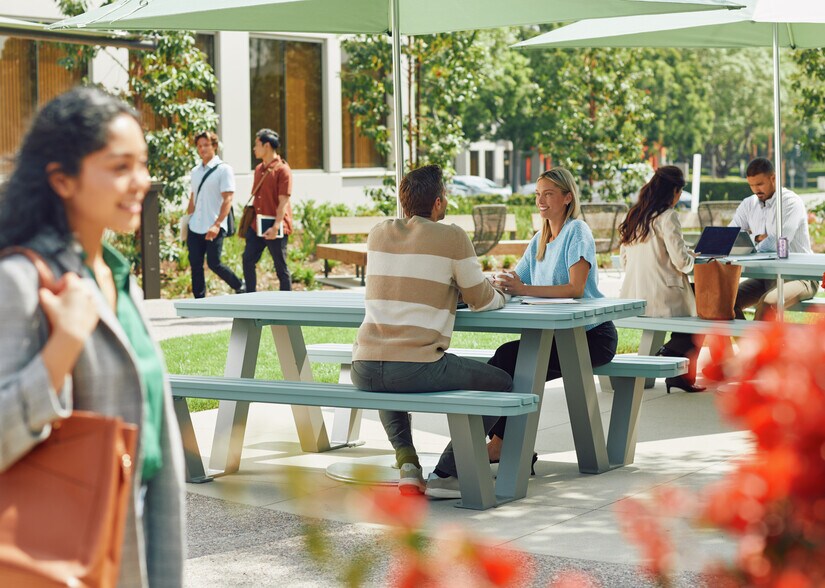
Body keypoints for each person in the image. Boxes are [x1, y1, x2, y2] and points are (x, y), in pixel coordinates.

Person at [0, 87, 185, 586]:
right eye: (120, 167)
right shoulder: (22, 282)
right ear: (62, 179)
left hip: (144, 525)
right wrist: (63, 345)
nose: (140, 181)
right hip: (67, 542)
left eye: (142, 164)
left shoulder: (116, 277)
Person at [350, 164, 513, 499]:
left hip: (363, 366)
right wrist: (502, 292)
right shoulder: (452, 236)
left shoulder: (378, 233)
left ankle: (408, 466)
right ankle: (448, 471)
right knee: (502, 383)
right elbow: (481, 299)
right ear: (438, 202)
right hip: (416, 367)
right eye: (445, 196)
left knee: (387, 378)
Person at [489, 168, 618, 462]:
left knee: (510, 360)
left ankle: (501, 445)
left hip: (592, 337)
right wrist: (500, 281)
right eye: (538, 194)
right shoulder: (540, 239)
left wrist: (523, 288)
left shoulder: (577, 232)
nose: (540, 201)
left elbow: (575, 288)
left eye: (548, 194)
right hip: (556, 337)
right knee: (501, 361)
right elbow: (518, 279)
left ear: (567, 197)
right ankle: (502, 442)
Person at [619, 166, 705, 393]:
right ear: (674, 191)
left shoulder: (635, 215)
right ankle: (672, 357)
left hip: (635, 295)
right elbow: (682, 262)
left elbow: (625, 259)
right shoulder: (668, 216)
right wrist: (693, 258)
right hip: (663, 297)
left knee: (695, 310)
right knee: (705, 310)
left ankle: (678, 369)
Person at [730, 157, 818, 319]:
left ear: (774, 178)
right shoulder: (748, 204)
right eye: (751, 185)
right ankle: (748, 337)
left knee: (768, 303)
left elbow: (778, 243)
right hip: (766, 276)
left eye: (760, 184)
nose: (755, 190)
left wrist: (749, 242)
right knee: (726, 301)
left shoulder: (791, 202)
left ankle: (760, 337)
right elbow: (730, 237)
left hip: (800, 277)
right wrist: (757, 238)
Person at [186, 130, 245, 298]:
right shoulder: (195, 171)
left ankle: (239, 285)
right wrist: (188, 218)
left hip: (214, 225)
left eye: (206, 145)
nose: (202, 149)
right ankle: (199, 301)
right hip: (195, 225)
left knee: (214, 263)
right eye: (199, 146)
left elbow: (228, 199)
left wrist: (217, 224)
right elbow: (194, 196)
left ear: (214, 146)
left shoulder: (224, 170)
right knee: (195, 264)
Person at [242, 128, 293, 292]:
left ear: (267, 146)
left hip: (276, 226)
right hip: (257, 225)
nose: (254, 149)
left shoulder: (283, 170)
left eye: (257, 144)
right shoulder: (258, 169)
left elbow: (283, 201)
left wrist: (276, 226)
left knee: (281, 268)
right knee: (247, 259)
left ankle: (287, 303)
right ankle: (250, 298)